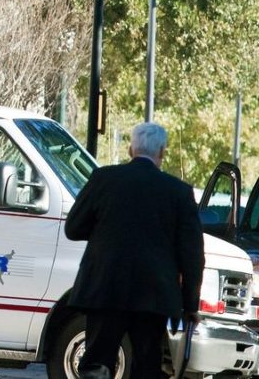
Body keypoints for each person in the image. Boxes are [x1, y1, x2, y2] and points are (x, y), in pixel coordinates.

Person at [64, 122, 204, 378]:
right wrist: (190, 304)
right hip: (154, 294)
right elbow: (192, 254)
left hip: (105, 286)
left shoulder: (103, 179)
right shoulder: (179, 192)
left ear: (130, 149)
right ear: (161, 152)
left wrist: (102, 233)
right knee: (147, 364)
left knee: (97, 360)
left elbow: (73, 228)